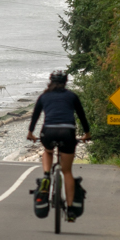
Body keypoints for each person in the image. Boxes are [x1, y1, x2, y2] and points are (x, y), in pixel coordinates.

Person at [27, 71, 90, 221]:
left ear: (50, 81)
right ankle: (69, 210)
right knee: (67, 171)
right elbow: (82, 116)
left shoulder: (44, 96)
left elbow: (35, 115)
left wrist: (30, 133)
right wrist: (87, 133)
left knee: (48, 151)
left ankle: (47, 174)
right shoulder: (72, 96)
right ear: (65, 82)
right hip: (68, 132)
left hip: (49, 132)